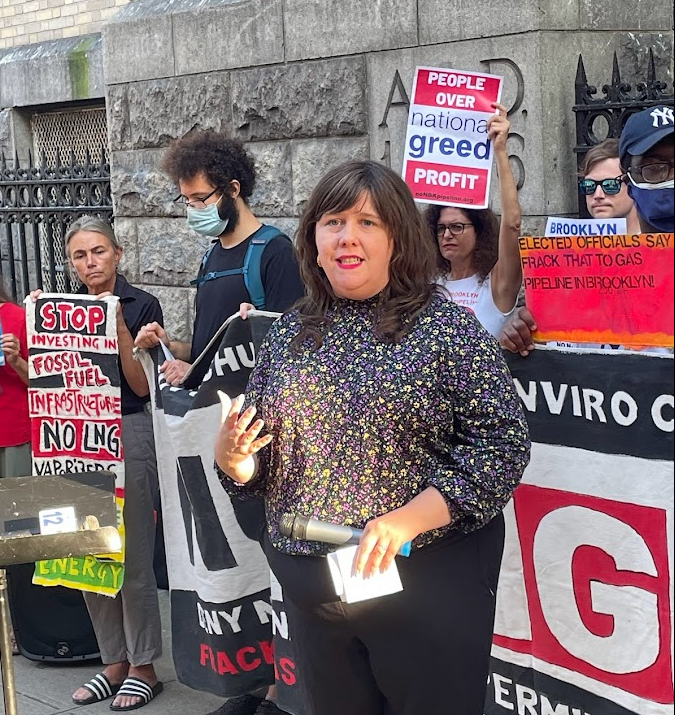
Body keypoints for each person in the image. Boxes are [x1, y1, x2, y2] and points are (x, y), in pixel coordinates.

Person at [214, 160, 531, 715]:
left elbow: (502, 444)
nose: (347, 237)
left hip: (427, 581)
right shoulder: (289, 333)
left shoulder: (446, 329)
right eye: (333, 222)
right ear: (314, 240)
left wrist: (411, 518)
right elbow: (261, 467)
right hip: (316, 588)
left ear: (398, 239)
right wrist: (235, 460)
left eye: (368, 222)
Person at [32, 216, 164, 711]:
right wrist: (30, 343)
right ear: (71, 263)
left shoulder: (142, 304)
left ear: (117, 253)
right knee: (88, 551)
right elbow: (49, 382)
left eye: (99, 251)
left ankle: (144, 665)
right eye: (80, 256)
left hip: (127, 430)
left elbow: (142, 387)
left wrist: (120, 327)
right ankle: (114, 661)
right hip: (76, 439)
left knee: (133, 556)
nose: (90, 263)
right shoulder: (64, 310)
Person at [134, 131, 304, 388]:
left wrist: (198, 374)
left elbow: (287, 355)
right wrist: (169, 347)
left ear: (233, 189)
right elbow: (206, 350)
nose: (192, 209)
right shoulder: (210, 257)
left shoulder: (276, 253)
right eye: (186, 200)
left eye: (200, 198)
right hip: (208, 410)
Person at [500, 111, 674, 356]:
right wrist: (530, 334)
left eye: (610, 185)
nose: (598, 195)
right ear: (631, 180)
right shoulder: (575, 266)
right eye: (654, 169)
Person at [423, 102, 522, 337]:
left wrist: (500, 150)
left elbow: (512, 224)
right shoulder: (429, 287)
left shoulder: (495, 285)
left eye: (457, 227)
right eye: (441, 228)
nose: (447, 235)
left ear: (479, 231)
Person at [0, 278, 30, 656]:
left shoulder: (18, 318)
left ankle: (22, 624)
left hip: (15, 435)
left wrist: (17, 360)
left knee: (18, 534)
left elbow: (45, 381)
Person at [578, 138, 640, 234]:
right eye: (589, 185)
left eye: (610, 185)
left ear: (633, 185)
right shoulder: (572, 242)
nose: (598, 195)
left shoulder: (661, 240)